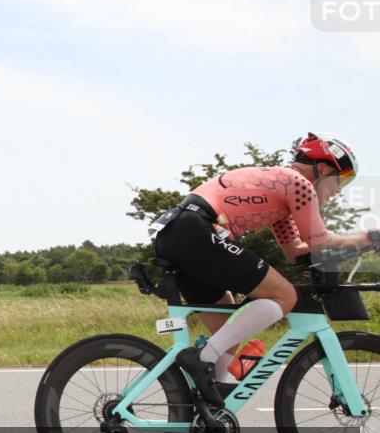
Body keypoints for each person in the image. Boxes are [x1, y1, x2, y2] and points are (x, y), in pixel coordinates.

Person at [150, 133, 378, 408]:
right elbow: (321, 242)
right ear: (323, 169)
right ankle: (202, 359)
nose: (339, 190)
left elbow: (295, 251)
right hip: (195, 230)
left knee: (226, 333)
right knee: (285, 296)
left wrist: (357, 247)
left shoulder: (282, 188)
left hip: (179, 233)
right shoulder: (299, 184)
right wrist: (371, 237)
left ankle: (210, 411)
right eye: (341, 180)